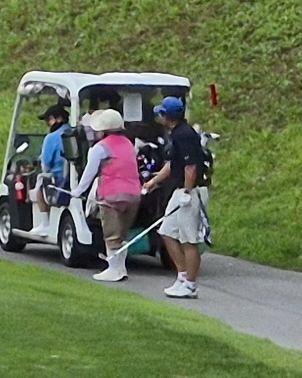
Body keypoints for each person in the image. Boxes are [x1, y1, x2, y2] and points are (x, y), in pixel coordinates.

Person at [150, 93, 212, 299]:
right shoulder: (176, 134)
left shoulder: (184, 134)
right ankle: (182, 276)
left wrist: (187, 191)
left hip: (190, 192)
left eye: (161, 114)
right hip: (181, 190)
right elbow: (172, 165)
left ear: (166, 116)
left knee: (188, 240)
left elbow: (191, 167)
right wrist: (153, 182)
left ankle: (190, 285)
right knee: (166, 232)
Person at [80, 105, 145, 281]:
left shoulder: (101, 147)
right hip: (134, 194)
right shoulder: (129, 144)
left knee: (111, 234)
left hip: (111, 195)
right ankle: (120, 268)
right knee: (122, 234)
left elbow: (90, 172)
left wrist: (78, 191)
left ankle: (114, 269)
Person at [35, 102, 77, 252]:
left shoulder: (51, 138)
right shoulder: (75, 133)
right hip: (74, 178)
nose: (48, 123)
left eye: (49, 119)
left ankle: (44, 223)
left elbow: (46, 164)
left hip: (57, 179)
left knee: (39, 185)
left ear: (58, 119)